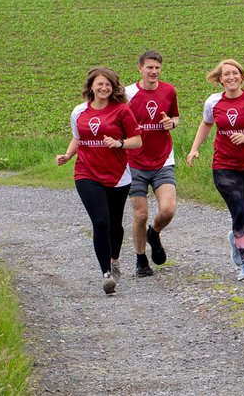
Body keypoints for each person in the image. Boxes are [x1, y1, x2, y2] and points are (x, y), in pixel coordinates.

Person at [186, 59, 244, 282]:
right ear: (220, 79)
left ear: (242, 76)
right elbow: (206, 123)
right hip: (224, 165)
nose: (231, 77)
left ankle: (236, 237)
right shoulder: (213, 102)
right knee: (238, 211)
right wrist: (194, 149)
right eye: (226, 74)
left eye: (235, 73)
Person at [56, 67, 142, 295]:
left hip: (118, 175)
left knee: (114, 224)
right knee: (101, 222)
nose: (104, 88)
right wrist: (68, 155)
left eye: (108, 85)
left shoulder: (122, 110)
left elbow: (137, 141)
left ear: (113, 88)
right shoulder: (79, 111)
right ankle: (106, 274)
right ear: (91, 86)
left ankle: (114, 260)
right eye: (100, 84)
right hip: (86, 173)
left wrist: (119, 143)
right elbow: (78, 137)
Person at [125, 50, 180, 277]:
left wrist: (171, 123)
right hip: (134, 162)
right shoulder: (127, 93)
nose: (154, 71)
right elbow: (115, 119)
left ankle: (154, 233)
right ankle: (141, 259)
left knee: (168, 210)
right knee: (140, 214)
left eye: (157, 67)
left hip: (163, 159)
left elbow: (175, 117)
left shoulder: (169, 90)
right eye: (149, 67)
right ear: (140, 68)